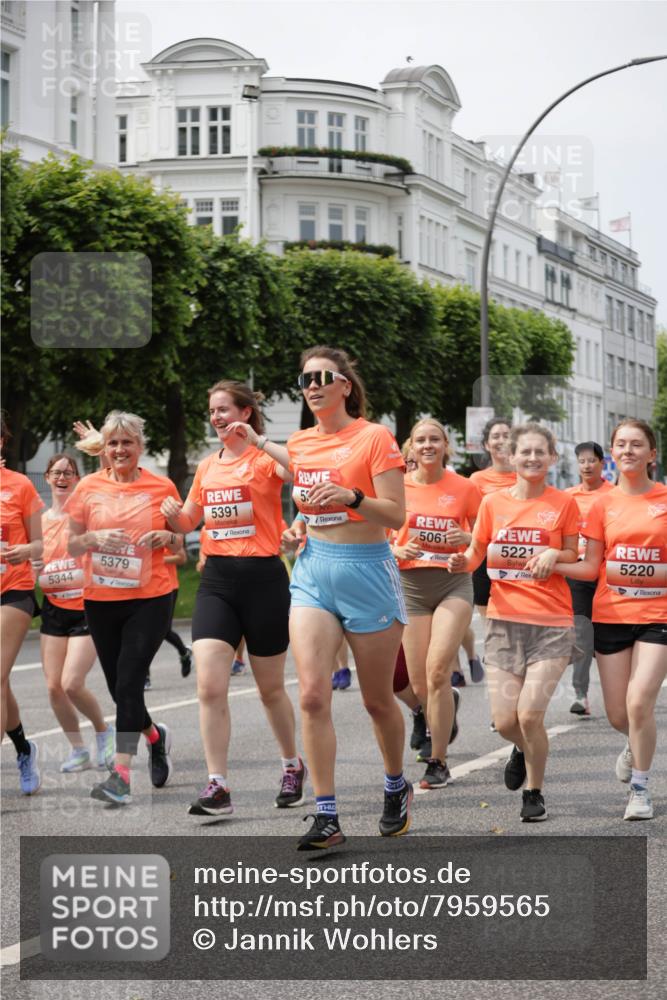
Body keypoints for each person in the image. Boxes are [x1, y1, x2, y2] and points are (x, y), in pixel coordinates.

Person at [286, 346, 411, 849]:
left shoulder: (374, 437)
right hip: (314, 573)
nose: (312, 385)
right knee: (313, 695)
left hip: (368, 573)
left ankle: (395, 783)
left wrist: (352, 498)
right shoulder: (298, 443)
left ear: (344, 386)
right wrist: (298, 526)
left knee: (378, 700)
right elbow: (308, 508)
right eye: (304, 379)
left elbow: (396, 515)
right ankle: (326, 815)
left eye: (323, 377)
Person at [161, 380, 305, 818]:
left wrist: (260, 441)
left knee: (270, 689)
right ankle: (218, 784)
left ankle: (291, 764)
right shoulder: (207, 467)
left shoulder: (263, 457)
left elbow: (300, 470)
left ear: (244, 413)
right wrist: (172, 516)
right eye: (212, 410)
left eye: (224, 409)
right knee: (209, 685)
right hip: (218, 581)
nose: (216, 417)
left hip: (263, 579)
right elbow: (190, 520)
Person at [449, 423, 579, 822]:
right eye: (526, 452)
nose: (533, 458)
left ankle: (534, 791)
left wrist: (554, 555)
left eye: (541, 452)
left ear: (553, 458)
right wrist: (461, 562)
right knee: (505, 722)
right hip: (503, 623)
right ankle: (522, 748)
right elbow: (477, 552)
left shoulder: (563, 504)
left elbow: (575, 554)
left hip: (551, 623)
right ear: (512, 455)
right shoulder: (493, 504)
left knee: (529, 715)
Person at [554, 419, 667, 821]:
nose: (629, 450)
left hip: (658, 616)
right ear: (612, 453)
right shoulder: (602, 504)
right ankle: (635, 742)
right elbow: (590, 566)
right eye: (621, 444)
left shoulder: (664, 499)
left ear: (652, 454)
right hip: (612, 615)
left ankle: (640, 789)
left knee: (639, 701)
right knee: (619, 714)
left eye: (637, 444)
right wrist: (554, 563)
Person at [67, 411, 181, 806]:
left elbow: (180, 545)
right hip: (101, 599)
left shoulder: (161, 486)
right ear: (105, 448)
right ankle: (154, 736)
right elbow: (71, 543)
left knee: (130, 681)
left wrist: (167, 534)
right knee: (121, 690)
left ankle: (120, 777)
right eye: (113, 443)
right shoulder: (88, 487)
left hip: (151, 597)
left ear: (140, 447)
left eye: (127, 443)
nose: (119, 450)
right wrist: (94, 536)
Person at [392, 419, 478, 789]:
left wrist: (467, 539)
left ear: (446, 445)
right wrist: (397, 548)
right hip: (410, 587)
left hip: (452, 583)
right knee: (418, 681)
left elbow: (486, 538)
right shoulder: (396, 488)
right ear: (410, 447)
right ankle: (444, 711)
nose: (428, 445)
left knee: (438, 670)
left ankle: (438, 760)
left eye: (435, 439)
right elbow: (375, 537)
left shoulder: (465, 487)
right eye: (420, 440)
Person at [36, 453, 114, 772]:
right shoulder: (39, 522)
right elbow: (31, 562)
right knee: (54, 686)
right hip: (54, 608)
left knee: (71, 683)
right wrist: (34, 564)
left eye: (69, 472)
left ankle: (103, 732)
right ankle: (78, 749)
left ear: (78, 478)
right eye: (56, 472)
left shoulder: (86, 515)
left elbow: (108, 482)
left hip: (85, 607)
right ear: (47, 478)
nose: (62, 477)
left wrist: (101, 451)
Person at [0, 414, 44, 794]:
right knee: (2, 683)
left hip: (14, 589)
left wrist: (24, 550)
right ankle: (24, 749)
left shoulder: (20, 485)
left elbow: (42, 544)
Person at [564, 441, 613, 716]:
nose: (586, 465)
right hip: (579, 572)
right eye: (581, 461)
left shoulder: (614, 495)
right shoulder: (567, 497)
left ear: (601, 463)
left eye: (591, 460)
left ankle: (622, 688)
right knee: (582, 631)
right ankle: (581, 694)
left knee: (605, 632)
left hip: (609, 573)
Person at [145, 536, 192, 689]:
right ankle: (145, 676)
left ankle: (184, 652)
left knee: (163, 630)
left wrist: (158, 560)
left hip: (168, 586)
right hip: (144, 587)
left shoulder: (167, 531)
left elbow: (181, 558)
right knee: (142, 632)